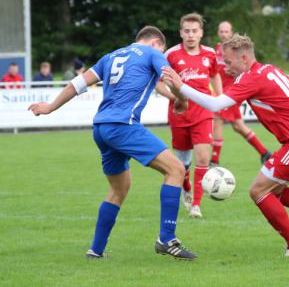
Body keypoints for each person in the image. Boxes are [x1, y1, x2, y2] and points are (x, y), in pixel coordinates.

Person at [163, 34, 289, 257]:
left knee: (258, 191)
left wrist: (181, 87)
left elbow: (216, 103)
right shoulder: (269, 69)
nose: (226, 68)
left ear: (243, 58)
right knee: (275, 191)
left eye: (228, 62)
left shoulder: (250, 78)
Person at [28, 26, 197, 261]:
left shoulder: (112, 56)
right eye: (162, 49)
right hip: (123, 126)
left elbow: (77, 84)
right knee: (176, 169)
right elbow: (172, 79)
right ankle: (167, 239)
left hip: (101, 128)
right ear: (157, 43)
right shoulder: (153, 54)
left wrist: (49, 107)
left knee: (119, 188)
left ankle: (95, 250)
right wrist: (182, 100)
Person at [155, 13, 222, 219]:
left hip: (203, 112)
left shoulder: (210, 54)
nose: (191, 35)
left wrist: (219, 98)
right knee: (182, 164)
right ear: (181, 33)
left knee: (202, 158)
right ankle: (186, 187)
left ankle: (196, 205)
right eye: (187, 31)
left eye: (195, 31)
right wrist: (173, 97)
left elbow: (215, 75)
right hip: (180, 114)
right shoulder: (171, 55)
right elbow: (157, 82)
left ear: (201, 33)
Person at [211, 21, 271, 165]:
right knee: (238, 125)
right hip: (222, 91)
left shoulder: (235, 50)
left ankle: (214, 160)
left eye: (226, 31)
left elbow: (246, 69)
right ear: (218, 33)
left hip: (233, 91)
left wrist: (233, 73)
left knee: (217, 118)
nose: (224, 34)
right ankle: (265, 153)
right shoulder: (217, 49)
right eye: (221, 31)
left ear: (231, 33)